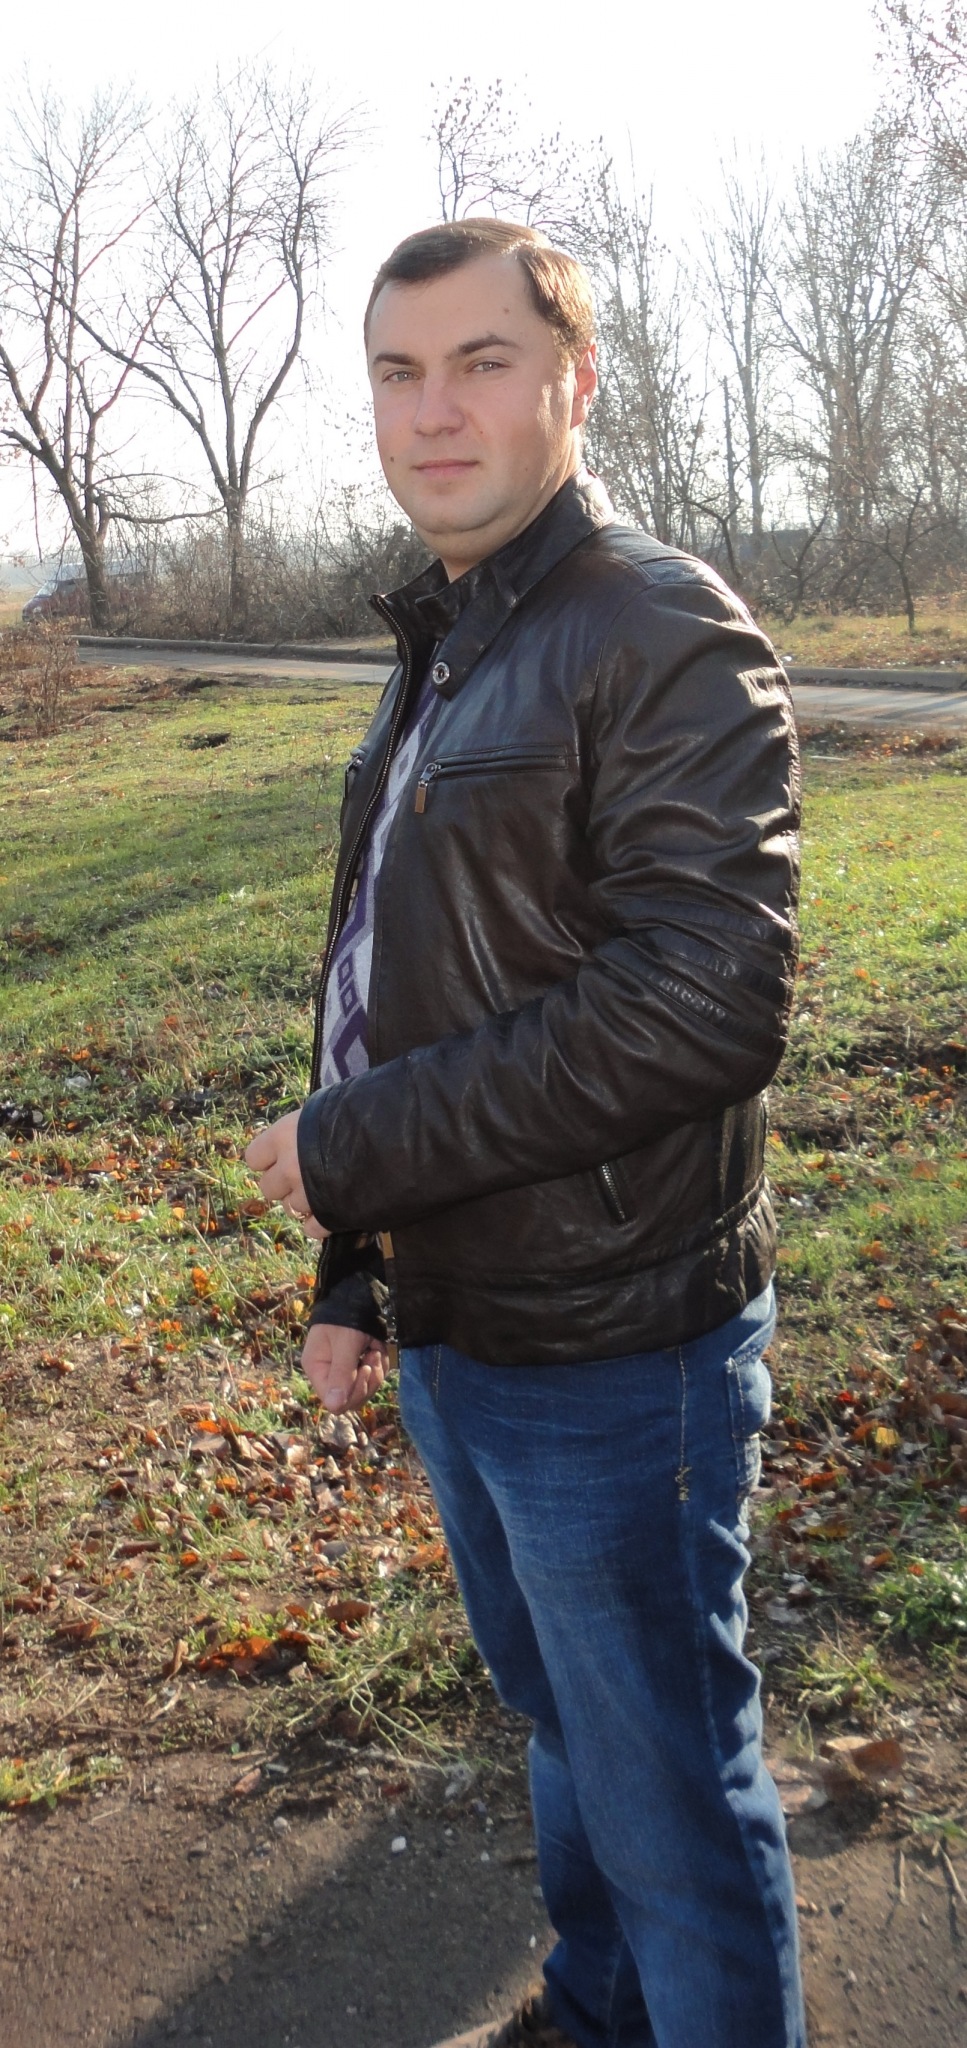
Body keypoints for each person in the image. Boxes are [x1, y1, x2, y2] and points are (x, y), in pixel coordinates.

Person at [245, 217, 805, 2048]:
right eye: (399, 374)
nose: (435, 412)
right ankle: (594, 2005)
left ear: (574, 383)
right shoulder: (451, 632)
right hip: (465, 1317)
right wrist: (358, 1265)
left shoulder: (656, 624)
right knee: (569, 1719)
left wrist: (356, 1149)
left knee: (672, 1784)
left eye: (481, 363)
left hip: (618, 1349)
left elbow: (707, 1000)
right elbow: (387, 972)